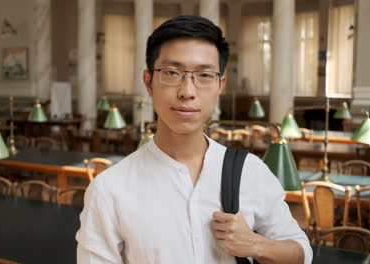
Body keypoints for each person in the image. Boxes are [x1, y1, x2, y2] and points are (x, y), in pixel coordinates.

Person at [76, 15, 312, 264]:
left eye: (204, 76)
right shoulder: (109, 189)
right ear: (149, 82)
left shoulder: (250, 172)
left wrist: (256, 244)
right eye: (171, 73)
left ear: (220, 85)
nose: (187, 92)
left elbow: (301, 253)